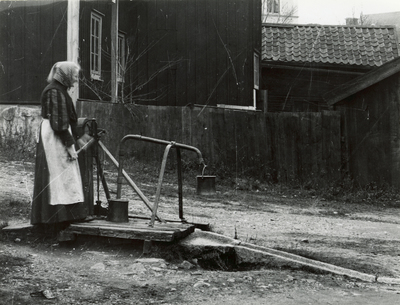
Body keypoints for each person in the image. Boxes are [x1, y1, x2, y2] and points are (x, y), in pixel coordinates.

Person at [31, 61, 91, 226]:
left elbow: (68, 118)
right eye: (75, 75)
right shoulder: (54, 92)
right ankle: (55, 218)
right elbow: (58, 123)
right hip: (54, 137)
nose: (76, 79)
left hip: (58, 134)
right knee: (57, 174)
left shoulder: (61, 90)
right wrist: (70, 146)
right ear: (66, 75)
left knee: (66, 174)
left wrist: (78, 138)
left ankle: (67, 215)